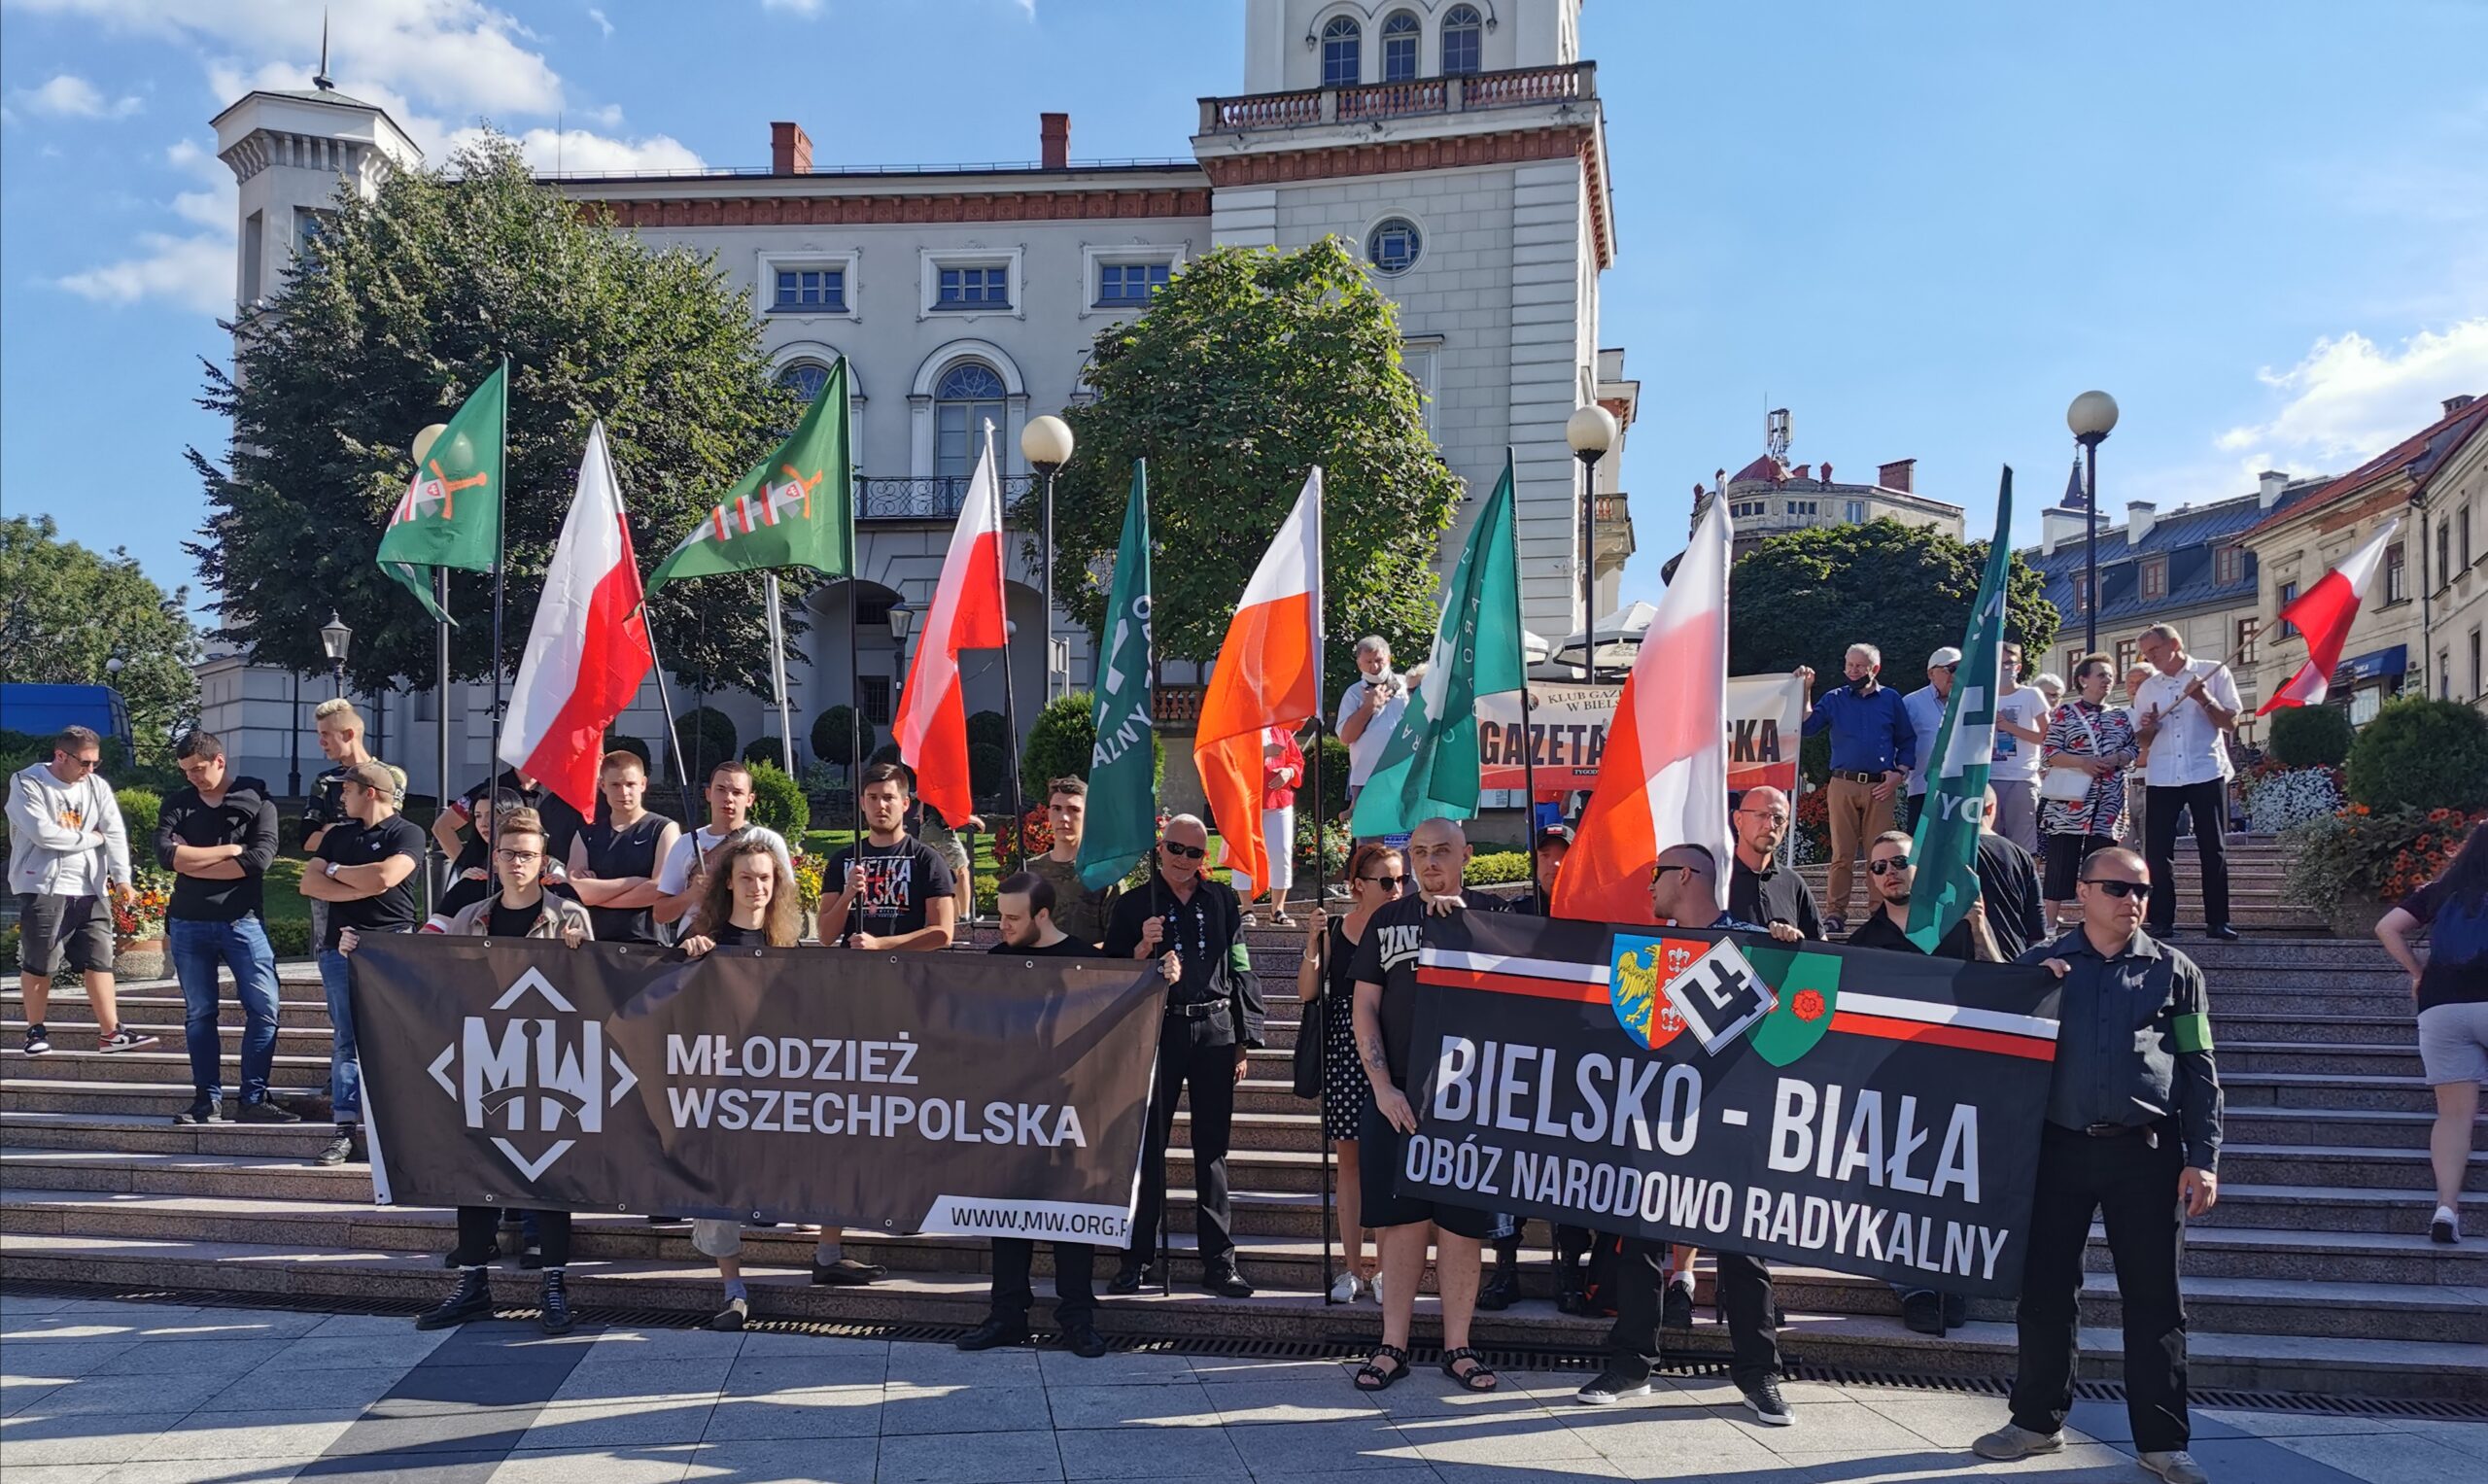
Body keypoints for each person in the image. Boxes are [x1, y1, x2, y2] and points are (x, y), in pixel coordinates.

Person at [1975, 847, 2222, 1484]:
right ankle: (2036, 1422)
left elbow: (2198, 1069)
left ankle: (2163, 1443)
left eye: (2142, 890)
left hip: (2147, 1152)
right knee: (2046, 1292)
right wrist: (2029, 990)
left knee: (2156, 1298)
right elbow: (1987, 1040)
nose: (2132, 900)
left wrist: (2204, 1157)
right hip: (2057, 1149)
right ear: (2082, 892)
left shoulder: (2176, 972)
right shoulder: (2043, 965)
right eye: (2117, 887)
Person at [1576, 843, 1792, 1425]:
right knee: (1640, 1241)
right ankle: (1631, 1365)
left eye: (1657, 873)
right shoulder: (1650, 951)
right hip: (1659, 1117)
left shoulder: (1752, 942)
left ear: (1688, 875)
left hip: (1730, 1120)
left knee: (1742, 1250)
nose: (1649, 885)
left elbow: (1786, 1023)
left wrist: (1787, 952)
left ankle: (1759, 1374)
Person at [395, 808, 592, 1336]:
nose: (517, 863)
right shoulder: (470, 916)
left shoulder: (569, 916)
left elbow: (593, 992)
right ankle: (473, 1285)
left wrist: (580, 955)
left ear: (543, 861)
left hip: (548, 1063)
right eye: (508, 854)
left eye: (527, 855)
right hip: (484, 1059)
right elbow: (426, 963)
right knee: (475, 1171)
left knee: (548, 1174)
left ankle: (554, 1285)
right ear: (495, 859)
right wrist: (362, 948)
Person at [1346, 817, 1504, 1394]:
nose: (1429, 862)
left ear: (1466, 854)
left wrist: (1467, 926)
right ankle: (1393, 1345)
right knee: (1401, 1223)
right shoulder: (1387, 920)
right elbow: (1365, 1006)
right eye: (1418, 852)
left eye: (1441, 850)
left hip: (1473, 1098)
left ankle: (1459, 1346)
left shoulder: (1497, 916)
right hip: (1398, 1092)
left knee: (1462, 1226)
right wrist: (1381, 1086)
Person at [1102, 813, 1263, 1298]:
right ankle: (1137, 1257)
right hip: (1160, 1030)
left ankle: (1219, 1261)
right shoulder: (1136, 904)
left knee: (1211, 1150)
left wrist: (1244, 1036)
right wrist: (1142, 949)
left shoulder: (1221, 900)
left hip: (1215, 1028)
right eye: (1175, 848)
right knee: (1148, 1148)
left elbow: (1240, 964)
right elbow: (1108, 972)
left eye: (1194, 852)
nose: (1183, 860)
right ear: (1160, 848)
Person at [674, 837, 829, 1329]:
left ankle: (828, 1252)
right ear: (727, 883)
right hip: (721, 1088)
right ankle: (733, 1289)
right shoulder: (706, 939)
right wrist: (686, 956)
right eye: (746, 877)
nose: (756, 886)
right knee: (716, 1187)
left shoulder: (788, 943)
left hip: (778, 1086)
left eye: (765, 877)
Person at [957, 873, 1110, 1358]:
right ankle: (1006, 1314)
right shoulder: (996, 962)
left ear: (1042, 915)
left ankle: (1077, 1318)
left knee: (1072, 1215)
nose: (1002, 926)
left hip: (1072, 1109)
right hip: (1011, 1109)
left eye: (1012, 918)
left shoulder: (1087, 961)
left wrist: (1161, 975)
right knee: (1007, 1213)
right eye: (999, 916)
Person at [156, 731, 291, 1124]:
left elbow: (258, 860)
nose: (193, 777)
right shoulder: (178, 804)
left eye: (199, 769)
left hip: (242, 920)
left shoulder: (257, 802)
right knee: (200, 1013)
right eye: (186, 771)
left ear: (220, 760)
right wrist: (229, 850)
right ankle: (206, 1101)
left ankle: (253, 1098)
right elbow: (166, 856)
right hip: (188, 922)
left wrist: (192, 860)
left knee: (264, 1008)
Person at [295, 761, 425, 1166]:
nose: (341, 798)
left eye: (347, 790)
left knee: (394, 1037)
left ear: (370, 792)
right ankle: (344, 1130)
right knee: (346, 1041)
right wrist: (357, 883)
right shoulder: (337, 835)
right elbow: (309, 883)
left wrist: (336, 874)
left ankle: (397, 1128)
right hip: (340, 949)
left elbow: (385, 877)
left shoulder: (407, 832)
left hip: (392, 948)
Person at [1296, 842, 1404, 1306]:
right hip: (1344, 1049)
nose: (1397, 889)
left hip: (1394, 1045)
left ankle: (1386, 1268)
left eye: (1402, 880)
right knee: (1351, 1164)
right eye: (1387, 881)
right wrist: (1312, 942)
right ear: (1359, 885)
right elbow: (1307, 993)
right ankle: (1353, 1268)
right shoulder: (1338, 929)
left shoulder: (1407, 926)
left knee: (1389, 1163)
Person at [2376, 821, 2488, 1246]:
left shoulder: (2441, 891)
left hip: (2441, 1007)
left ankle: (2446, 1208)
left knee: (2454, 1115)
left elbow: (2386, 927)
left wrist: (2417, 972)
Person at [10, 726, 153, 1057]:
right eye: (84, 763)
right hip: (43, 883)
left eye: (95, 763)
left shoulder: (96, 786)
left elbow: (114, 832)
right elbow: (43, 834)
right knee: (40, 960)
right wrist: (93, 838)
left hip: (91, 886)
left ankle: (112, 1033)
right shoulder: (28, 782)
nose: (90, 769)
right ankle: (35, 1031)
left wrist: (122, 879)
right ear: (61, 755)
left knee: (99, 959)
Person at [1795, 643, 1916, 934]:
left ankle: (1879, 914)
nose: (1852, 671)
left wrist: (1899, 775)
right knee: (1842, 854)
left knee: (1880, 854)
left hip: (1880, 787)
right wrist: (1805, 690)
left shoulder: (1891, 699)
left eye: (1859, 666)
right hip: (1842, 783)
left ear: (1875, 669)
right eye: (1849, 665)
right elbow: (1808, 727)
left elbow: (1907, 740)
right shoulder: (1834, 698)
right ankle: (1835, 914)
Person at [2131, 624, 2241, 941]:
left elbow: (2231, 722)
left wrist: (2203, 698)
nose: (2151, 658)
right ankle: (2161, 921)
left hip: (2205, 769)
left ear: (2175, 644)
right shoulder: (2148, 688)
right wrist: (2149, 726)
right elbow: (2142, 740)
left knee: (2213, 848)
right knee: (2157, 851)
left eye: (2155, 650)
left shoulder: (2212, 672)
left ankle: (2218, 921)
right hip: (2163, 774)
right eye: (2146, 654)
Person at [2041, 655, 2139, 935]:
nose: (2108, 680)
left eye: (2110, 675)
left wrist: (2118, 758)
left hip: (2108, 801)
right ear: (2083, 680)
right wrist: (2082, 762)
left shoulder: (2120, 716)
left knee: (2102, 864)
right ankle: (2049, 924)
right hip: (2070, 802)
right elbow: (2050, 753)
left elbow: (2133, 749)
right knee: (2061, 861)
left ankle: (2095, 923)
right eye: (2101, 674)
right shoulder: (2065, 713)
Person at [298, 700, 404, 954]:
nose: (321, 742)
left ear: (348, 734)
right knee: (329, 953)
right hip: (331, 890)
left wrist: (332, 832)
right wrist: (344, 834)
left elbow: (382, 828)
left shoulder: (389, 776)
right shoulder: (325, 781)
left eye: (326, 734)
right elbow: (308, 839)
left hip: (375, 891)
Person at [819, 762, 957, 952]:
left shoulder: (927, 860)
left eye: (888, 797)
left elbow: (943, 934)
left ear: (905, 803)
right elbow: (825, 936)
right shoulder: (842, 860)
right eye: (873, 797)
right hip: (853, 968)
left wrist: (880, 945)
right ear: (862, 803)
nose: (880, 806)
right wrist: (847, 895)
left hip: (905, 969)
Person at [653, 761, 795, 934]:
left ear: (750, 799)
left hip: (754, 937)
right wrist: (691, 894)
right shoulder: (685, 844)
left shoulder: (768, 841)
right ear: (708, 794)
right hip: (697, 939)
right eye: (721, 790)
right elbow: (660, 914)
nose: (728, 798)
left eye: (737, 792)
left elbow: (787, 899)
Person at [566, 750, 679, 945]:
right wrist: (634, 882)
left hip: (647, 944)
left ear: (643, 784)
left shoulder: (664, 829)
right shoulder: (586, 835)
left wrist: (597, 895)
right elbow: (576, 891)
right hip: (595, 943)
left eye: (630, 784)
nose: (624, 792)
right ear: (602, 785)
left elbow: (660, 889)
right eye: (615, 785)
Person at [432, 764, 586, 880]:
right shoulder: (491, 788)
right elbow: (442, 827)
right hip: (499, 884)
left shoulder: (566, 788)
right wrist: (468, 868)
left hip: (554, 880)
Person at [1019, 777, 1121, 948]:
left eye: (1074, 810)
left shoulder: (1105, 875)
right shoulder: (1028, 872)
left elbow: (1118, 941)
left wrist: (1072, 955)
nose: (1064, 818)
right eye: (1057, 809)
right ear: (1048, 813)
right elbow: (1012, 931)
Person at [1726, 785, 1822, 942]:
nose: (1769, 825)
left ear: (1786, 826)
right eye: (1761, 815)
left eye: (1778, 818)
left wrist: (1796, 940)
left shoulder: (1793, 884)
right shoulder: (1716, 878)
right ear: (1738, 820)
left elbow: (1820, 947)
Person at [1233, 727, 1304, 924]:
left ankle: (1278, 909)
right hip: (1245, 801)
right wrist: (1263, 752)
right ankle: (1247, 909)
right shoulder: (1239, 728)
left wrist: (1289, 772)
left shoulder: (1282, 731)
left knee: (1281, 852)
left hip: (1279, 801)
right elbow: (1230, 758)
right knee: (1243, 853)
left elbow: (1297, 761)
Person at [1989, 640, 2053, 855]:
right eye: (1999, 663)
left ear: (2018, 666)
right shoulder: (1983, 696)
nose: (2004, 668)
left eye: (2009, 663)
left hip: (2021, 777)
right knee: (1991, 842)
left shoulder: (2031, 695)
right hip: (1989, 777)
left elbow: (2047, 736)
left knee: (2022, 846)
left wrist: (2008, 727)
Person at [1976, 787, 2048, 965]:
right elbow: (2036, 926)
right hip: (2011, 956)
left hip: (1950, 964)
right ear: (1991, 808)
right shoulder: (2021, 856)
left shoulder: (1940, 853)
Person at [1334, 637, 1407, 811]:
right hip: (1367, 778)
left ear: (1389, 658)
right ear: (1359, 664)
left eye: (1379, 660)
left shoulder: (1408, 686)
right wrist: (1368, 707)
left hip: (1404, 774)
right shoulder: (1353, 693)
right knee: (1370, 827)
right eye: (1368, 662)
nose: (1374, 667)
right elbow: (1346, 737)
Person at [1901, 647, 1961, 833]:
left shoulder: (1969, 701)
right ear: (1931, 673)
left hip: (1960, 789)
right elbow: (1900, 741)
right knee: (1919, 843)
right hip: (1923, 787)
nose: (1955, 675)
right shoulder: (1911, 702)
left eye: (1960, 669)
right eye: (1950, 669)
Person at [2121, 664, 2157, 848]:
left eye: (2141, 682)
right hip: (2125, 789)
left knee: (2152, 847)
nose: (2135, 688)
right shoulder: (2118, 716)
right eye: (2131, 683)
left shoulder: (2165, 713)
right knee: (2123, 848)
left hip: (2154, 787)